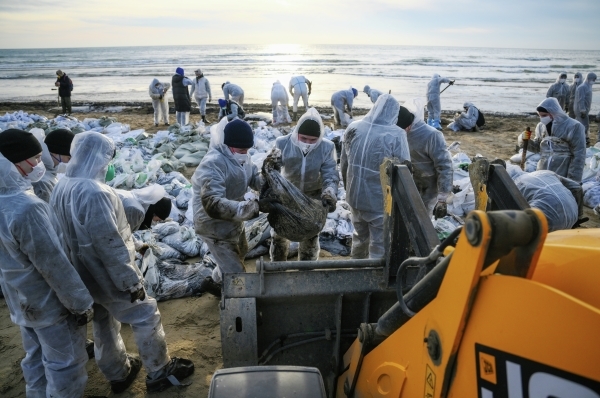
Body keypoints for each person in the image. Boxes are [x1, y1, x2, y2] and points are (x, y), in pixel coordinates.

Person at [50, 132, 194, 393]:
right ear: (100, 158)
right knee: (145, 313)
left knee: (104, 320)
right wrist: (131, 281)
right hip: (104, 272)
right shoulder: (96, 192)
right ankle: (160, 370)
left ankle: (118, 372)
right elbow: (109, 244)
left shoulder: (62, 184)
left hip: (79, 272)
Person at [0, 129, 94, 398]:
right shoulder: (27, 207)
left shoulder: (5, 200)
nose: (40, 165)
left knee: (35, 355)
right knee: (65, 362)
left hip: (19, 297)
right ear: (13, 164)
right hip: (46, 300)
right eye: (35, 158)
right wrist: (80, 303)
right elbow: (53, 263)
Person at [192, 119, 265, 284]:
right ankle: (234, 299)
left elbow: (253, 177)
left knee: (242, 250)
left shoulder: (243, 157)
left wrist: (269, 182)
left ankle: (217, 281)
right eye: (241, 149)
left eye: (247, 149)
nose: (245, 152)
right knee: (236, 273)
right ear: (228, 145)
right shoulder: (213, 164)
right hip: (213, 225)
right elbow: (212, 203)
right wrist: (244, 209)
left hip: (233, 220)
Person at [340, 94, 410, 259]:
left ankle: (355, 269)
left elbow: (344, 164)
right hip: (379, 200)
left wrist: (347, 187)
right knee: (380, 242)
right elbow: (405, 170)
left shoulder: (354, 127)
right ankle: (375, 275)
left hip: (355, 196)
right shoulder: (396, 134)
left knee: (359, 236)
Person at [270, 108, 338, 261]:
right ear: (297, 134)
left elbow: (330, 174)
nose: (308, 143)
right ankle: (277, 266)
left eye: (313, 140)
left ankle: (306, 269)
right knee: (279, 234)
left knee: (311, 236)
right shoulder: (283, 143)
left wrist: (329, 191)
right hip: (287, 195)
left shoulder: (327, 147)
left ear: (319, 137)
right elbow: (273, 170)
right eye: (304, 138)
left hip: (312, 197)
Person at [396, 99, 453, 218]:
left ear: (409, 124)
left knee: (422, 217)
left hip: (427, 185)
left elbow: (444, 165)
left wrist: (442, 198)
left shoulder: (431, 135)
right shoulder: (398, 133)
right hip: (406, 180)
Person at [506, 166, 579, 232]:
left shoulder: (515, 185)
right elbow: (576, 187)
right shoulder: (545, 172)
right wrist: (578, 216)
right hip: (573, 215)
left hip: (548, 222)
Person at [534, 97, 586, 182]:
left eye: (544, 115)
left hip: (563, 170)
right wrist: (525, 141)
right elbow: (537, 147)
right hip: (543, 169)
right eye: (539, 115)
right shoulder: (541, 126)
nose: (541, 118)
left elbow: (579, 154)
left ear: (553, 113)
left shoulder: (574, 126)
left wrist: (573, 179)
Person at [32, 128, 74, 203]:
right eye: (69, 158)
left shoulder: (49, 171)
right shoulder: (42, 180)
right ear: (55, 153)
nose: (70, 162)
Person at [574, 72, 597, 143]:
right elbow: (581, 100)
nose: (594, 81)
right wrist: (582, 110)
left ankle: (583, 137)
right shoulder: (582, 87)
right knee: (584, 124)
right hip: (581, 109)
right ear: (589, 78)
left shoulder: (588, 86)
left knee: (581, 124)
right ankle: (582, 139)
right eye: (593, 79)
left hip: (585, 109)